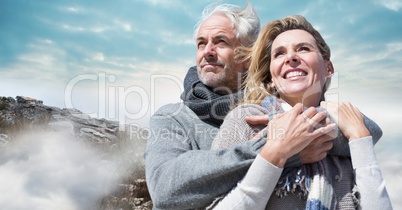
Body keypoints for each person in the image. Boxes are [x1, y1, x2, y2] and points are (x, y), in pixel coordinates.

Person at [145, 3, 365, 209]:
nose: (207, 51)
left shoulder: (273, 109)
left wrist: (295, 127)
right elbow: (164, 189)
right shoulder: (173, 117)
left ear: (248, 57)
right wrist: (283, 149)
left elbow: (366, 130)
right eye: (201, 43)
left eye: (220, 42)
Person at [208, 15, 392, 209]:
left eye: (303, 48)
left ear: (328, 68)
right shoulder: (245, 120)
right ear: (271, 78)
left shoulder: (346, 131)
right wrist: (276, 155)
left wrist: (360, 138)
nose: (291, 57)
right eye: (279, 53)